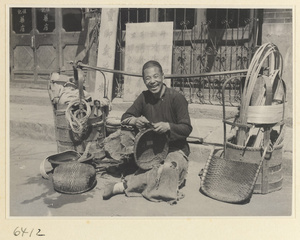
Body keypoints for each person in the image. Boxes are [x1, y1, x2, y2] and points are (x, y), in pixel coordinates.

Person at [102, 60, 193, 204]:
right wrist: (134, 120)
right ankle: (156, 185)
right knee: (153, 168)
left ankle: (122, 186)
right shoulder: (144, 97)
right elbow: (125, 117)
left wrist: (168, 126)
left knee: (169, 168)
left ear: (163, 77)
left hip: (176, 149)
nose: (152, 81)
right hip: (153, 150)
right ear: (144, 81)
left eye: (156, 76)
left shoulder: (177, 98)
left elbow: (187, 128)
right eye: (148, 78)